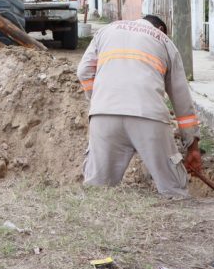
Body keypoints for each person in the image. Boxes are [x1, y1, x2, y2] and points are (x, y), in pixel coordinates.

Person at [76, 14, 201, 197]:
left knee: (97, 190)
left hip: (104, 115)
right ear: (160, 29)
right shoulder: (164, 41)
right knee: (174, 190)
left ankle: (94, 222)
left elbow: (83, 72)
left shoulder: (106, 31)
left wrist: (98, 99)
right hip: (149, 117)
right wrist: (193, 146)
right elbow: (182, 101)